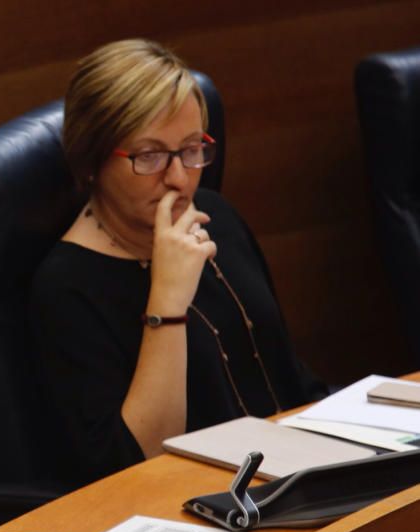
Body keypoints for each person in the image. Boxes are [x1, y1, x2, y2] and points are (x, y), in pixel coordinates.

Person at [29, 39, 325, 489]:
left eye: (191, 149)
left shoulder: (216, 216)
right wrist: (167, 300)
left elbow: (288, 375)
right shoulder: (66, 288)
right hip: (191, 511)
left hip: (295, 478)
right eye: (149, 156)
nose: (179, 178)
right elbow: (130, 469)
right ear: (91, 160)